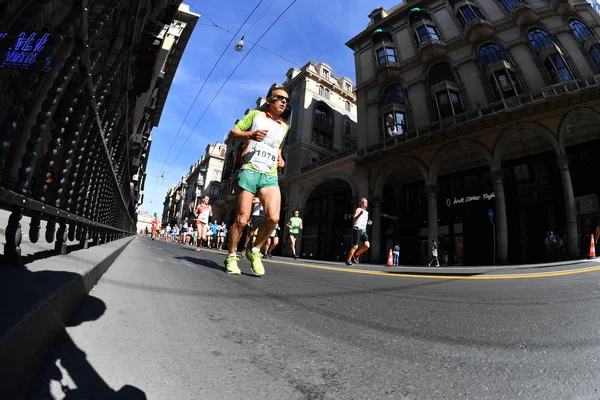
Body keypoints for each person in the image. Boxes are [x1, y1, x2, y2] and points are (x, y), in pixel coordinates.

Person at [223, 84, 289, 276]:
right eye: (280, 98)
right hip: (250, 171)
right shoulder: (255, 116)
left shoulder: (284, 127)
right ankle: (232, 256)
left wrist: (280, 157)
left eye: (286, 100)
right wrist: (250, 134)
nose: (284, 102)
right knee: (242, 220)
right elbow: (233, 133)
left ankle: (255, 250)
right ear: (269, 100)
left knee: (274, 217)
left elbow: (278, 147)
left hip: (270, 175)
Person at [345, 198, 372, 266]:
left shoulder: (366, 213)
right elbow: (354, 219)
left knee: (367, 245)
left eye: (366, 202)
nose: (366, 204)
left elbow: (365, 221)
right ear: (361, 203)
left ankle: (356, 255)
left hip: (363, 231)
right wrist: (360, 214)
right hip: (357, 229)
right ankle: (348, 260)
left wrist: (369, 222)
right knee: (355, 246)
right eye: (364, 202)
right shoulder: (358, 209)